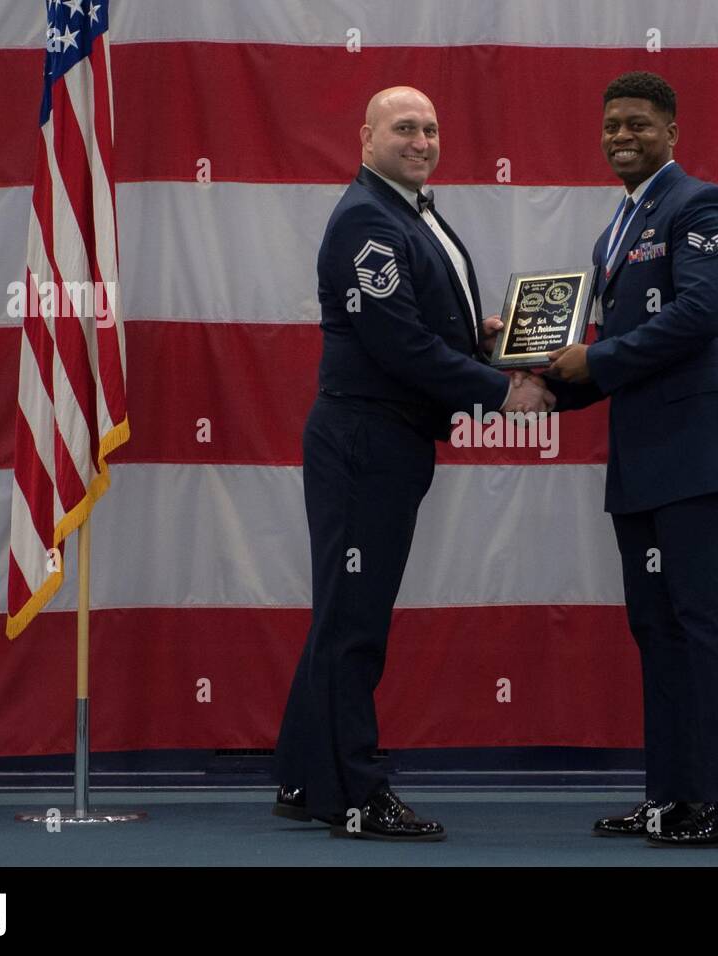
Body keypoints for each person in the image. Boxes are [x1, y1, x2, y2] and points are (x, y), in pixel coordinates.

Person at [271, 86, 552, 841]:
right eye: (404, 127)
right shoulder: (369, 216)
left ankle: (307, 778)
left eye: (431, 126)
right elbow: (396, 344)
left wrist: (483, 337)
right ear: (365, 136)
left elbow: (421, 326)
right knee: (355, 621)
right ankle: (356, 795)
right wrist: (501, 389)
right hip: (366, 438)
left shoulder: (410, 209)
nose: (422, 139)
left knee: (343, 612)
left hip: (386, 439)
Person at [546, 71, 718, 847]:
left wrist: (591, 365)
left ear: (673, 130)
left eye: (638, 124)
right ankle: (672, 798)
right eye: (611, 125)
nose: (621, 137)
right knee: (657, 627)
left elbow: (701, 312)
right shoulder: (614, 229)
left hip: (698, 451)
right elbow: (609, 352)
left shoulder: (700, 204)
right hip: (641, 458)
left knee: (704, 620)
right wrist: (540, 373)